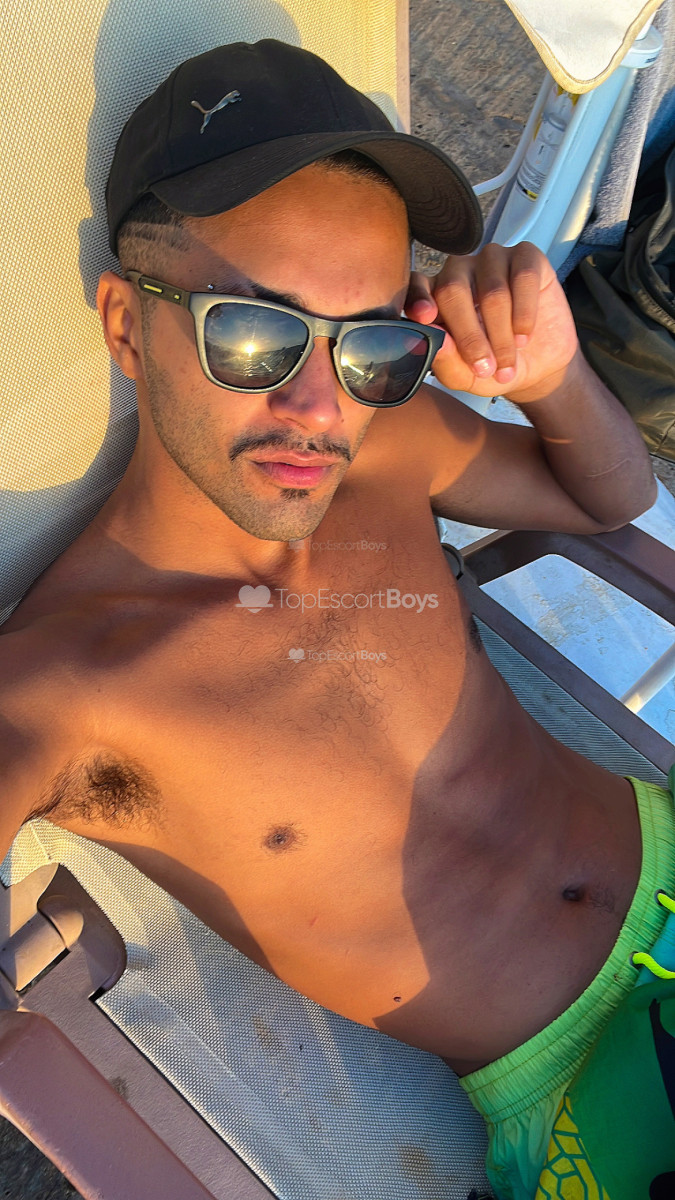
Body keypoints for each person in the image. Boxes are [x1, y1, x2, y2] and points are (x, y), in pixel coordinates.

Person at [1, 37, 674, 1200]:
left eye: (372, 342)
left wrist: (551, 376)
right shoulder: (71, 688)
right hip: (572, 1084)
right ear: (125, 324)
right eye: (252, 336)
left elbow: (606, 497)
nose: (318, 406)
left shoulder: (386, 448)